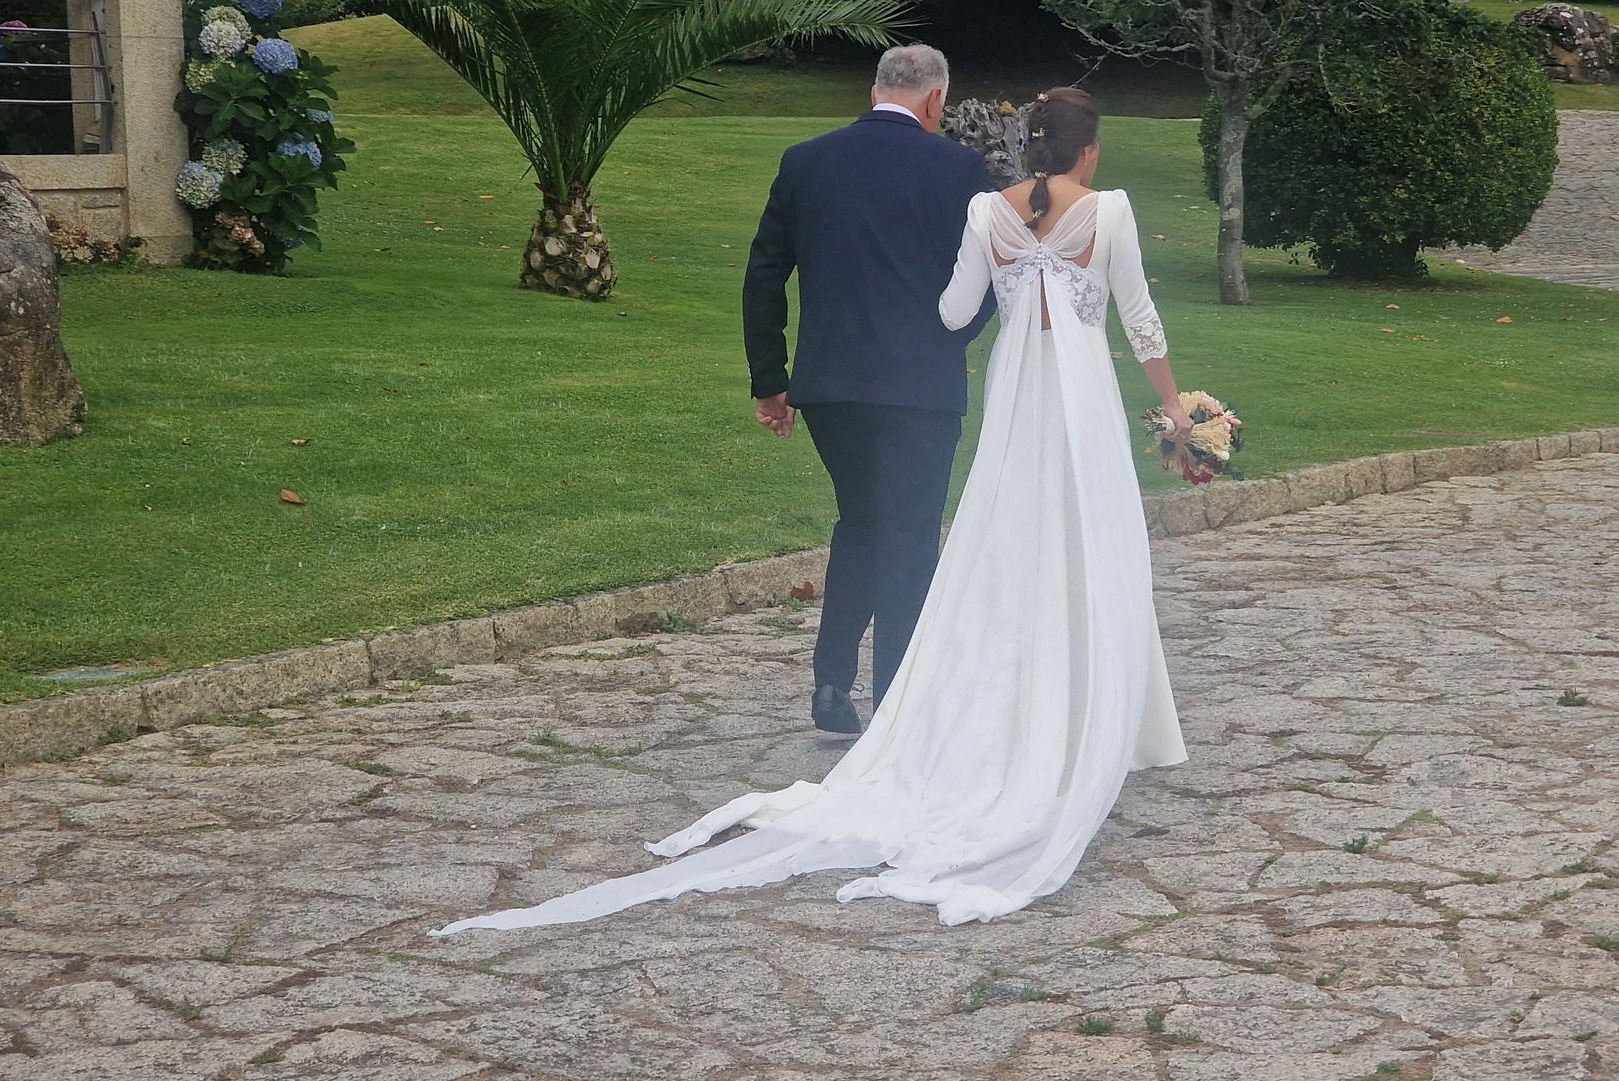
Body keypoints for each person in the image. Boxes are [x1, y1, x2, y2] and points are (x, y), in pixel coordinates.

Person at [431, 86, 1190, 934]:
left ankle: (889, 692)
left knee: (975, 542)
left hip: (989, 403)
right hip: (1068, 403)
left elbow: (945, 308)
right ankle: (1106, 715)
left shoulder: (985, 211)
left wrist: (996, 291)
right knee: (1083, 543)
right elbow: (1142, 326)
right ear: (1088, 151)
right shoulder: (1107, 211)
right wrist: (1180, 414)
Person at [741, 44, 994, 737]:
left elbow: (765, 274)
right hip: (919, 385)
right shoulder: (959, 169)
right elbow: (993, 279)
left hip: (831, 385)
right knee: (910, 536)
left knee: (861, 523)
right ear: (936, 101)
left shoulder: (807, 160)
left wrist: (772, 380)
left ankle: (830, 686)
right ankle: (896, 705)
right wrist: (951, 340)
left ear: (874, 88)